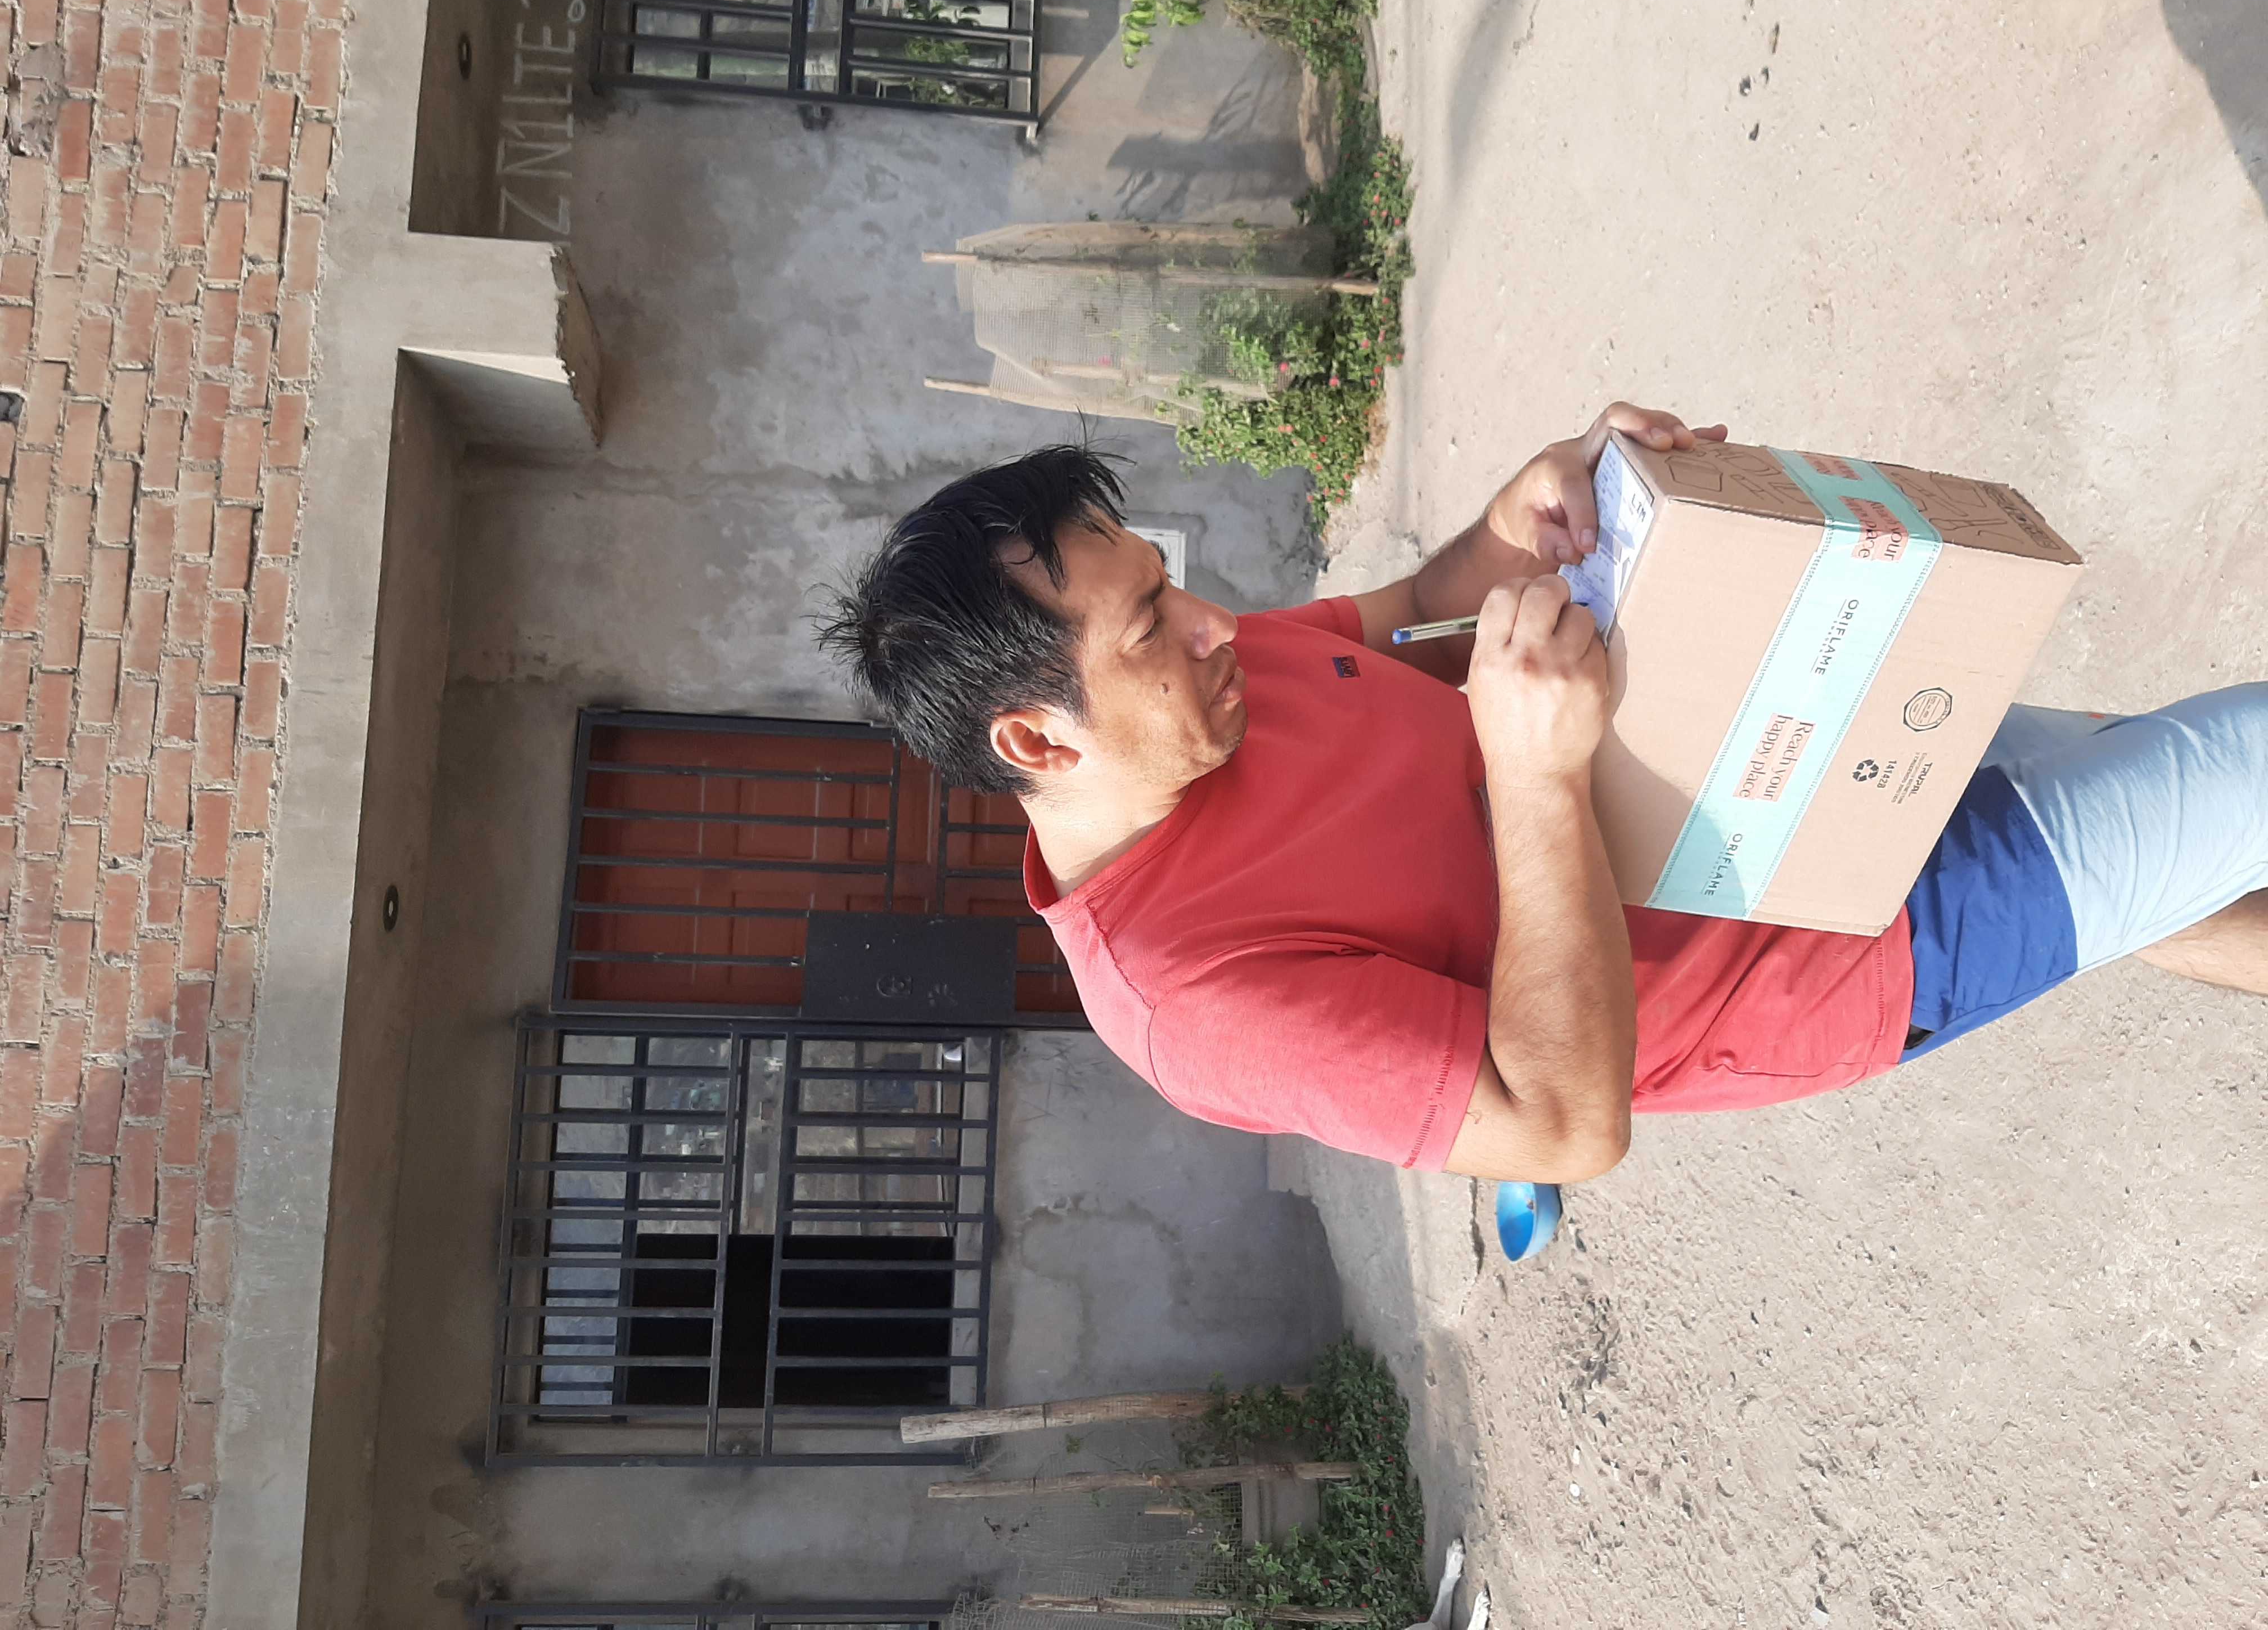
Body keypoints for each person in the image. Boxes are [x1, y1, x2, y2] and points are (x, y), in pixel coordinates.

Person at [820, 404, 2268, 1196]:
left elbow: (1406, 617)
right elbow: (1563, 1127)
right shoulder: (1190, 1002)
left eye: (1168, 581)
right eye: (1149, 624)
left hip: (1781, 754)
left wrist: (1515, 519)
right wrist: (1534, 771)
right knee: (2233, 773)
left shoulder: (1220, 686)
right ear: (1040, 739)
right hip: (1837, 952)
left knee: (2178, 853)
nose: (1212, 625)